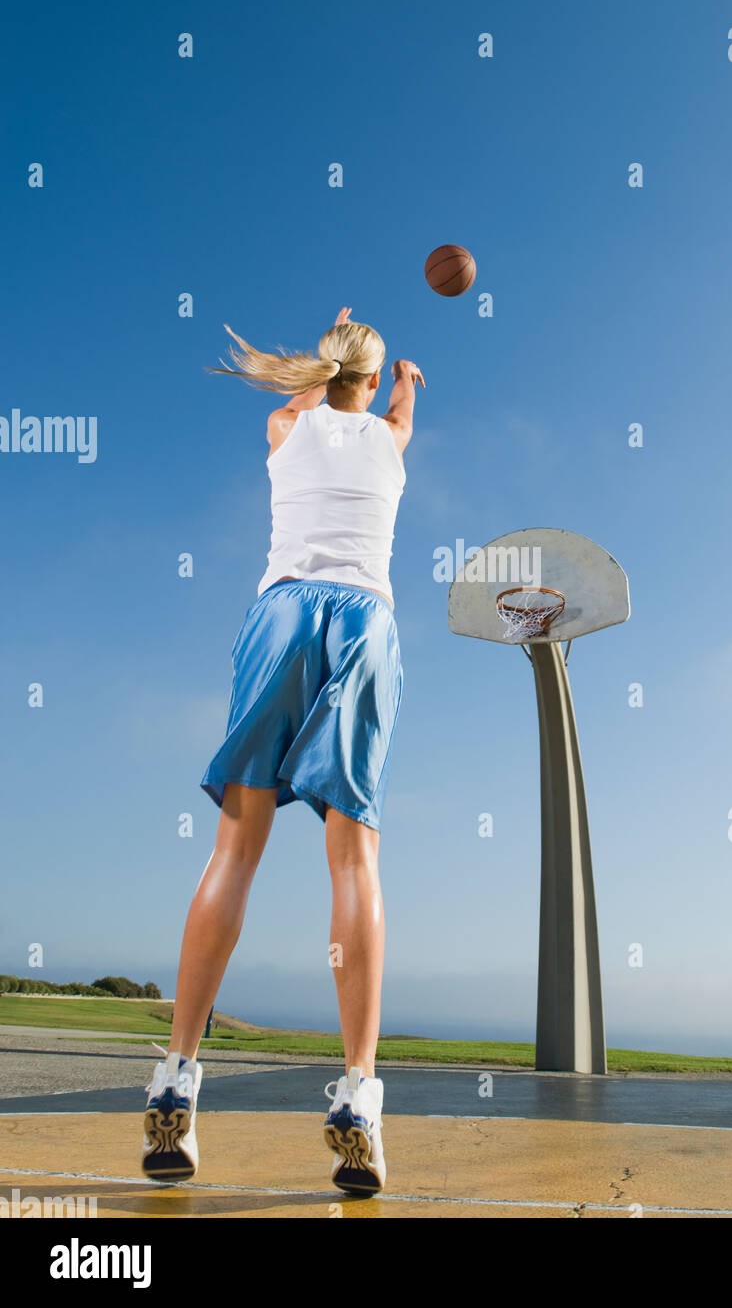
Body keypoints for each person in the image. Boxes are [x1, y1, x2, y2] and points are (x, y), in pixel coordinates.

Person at [141, 306, 422, 1196]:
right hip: (363, 622)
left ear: (321, 374)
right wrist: (403, 382)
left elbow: (317, 395)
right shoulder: (393, 437)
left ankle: (178, 1083)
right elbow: (391, 408)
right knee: (354, 860)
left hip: (286, 611)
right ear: (375, 387)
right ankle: (360, 1100)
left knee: (235, 849)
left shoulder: (285, 423)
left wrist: (332, 342)